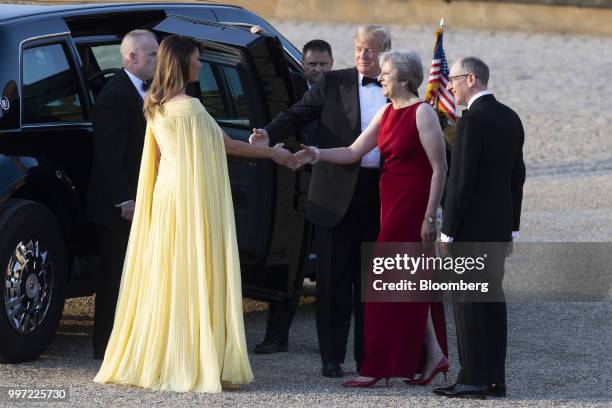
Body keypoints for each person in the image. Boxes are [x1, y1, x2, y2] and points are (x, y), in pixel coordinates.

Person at [94, 35, 297, 393]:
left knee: (168, 276)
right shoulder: (191, 108)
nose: (201, 65)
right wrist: (274, 154)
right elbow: (227, 146)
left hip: (167, 198)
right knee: (193, 273)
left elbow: (154, 162)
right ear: (184, 63)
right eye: (197, 60)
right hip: (192, 200)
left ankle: (161, 355)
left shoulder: (155, 105)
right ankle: (189, 359)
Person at [294, 50, 449, 387]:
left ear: (404, 80)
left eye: (387, 73)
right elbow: (353, 151)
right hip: (390, 204)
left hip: (412, 208)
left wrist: (429, 216)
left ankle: (377, 368)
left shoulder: (423, 113)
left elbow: (440, 168)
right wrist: (317, 153)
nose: (381, 77)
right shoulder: (385, 111)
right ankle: (433, 355)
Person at [250, 25, 392, 377]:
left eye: (371, 50)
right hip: (333, 193)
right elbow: (298, 113)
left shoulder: (397, 86)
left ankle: (368, 358)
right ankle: (331, 358)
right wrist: (269, 133)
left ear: (385, 53)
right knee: (331, 280)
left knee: (371, 282)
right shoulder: (334, 82)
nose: (363, 55)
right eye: (359, 48)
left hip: (380, 193)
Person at [433, 57, 525, 399]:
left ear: (471, 79)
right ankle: (494, 379)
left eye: (454, 80)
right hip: (498, 229)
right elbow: (518, 176)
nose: (451, 87)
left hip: (470, 231)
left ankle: (473, 379)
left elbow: (461, 181)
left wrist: (448, 231)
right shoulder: (510, 117)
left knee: (468, 304)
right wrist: (512, 229)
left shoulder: (473, 121)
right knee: (491, 303)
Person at [255, 39, 334, 355]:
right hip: (292, 193)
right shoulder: (288, 92)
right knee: (288, 264)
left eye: (323, 64)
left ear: (331, 64)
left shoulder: (340, 96)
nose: (317, 69)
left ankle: (329, 343)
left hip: (328, 191)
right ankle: (276, 337)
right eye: (311, 64)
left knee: (328, 270)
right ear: (301, 64)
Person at [85, 29, 158, 359]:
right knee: (114, 278)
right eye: (152, 54)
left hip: (145, 200)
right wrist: (124, 199)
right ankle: (106, 349)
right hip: (119, 207)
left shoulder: (152, 91)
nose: (158, 60)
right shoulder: (114, 95)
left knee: (139, 275)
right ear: (132, 57)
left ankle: (133, 343)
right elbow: (108, 154)